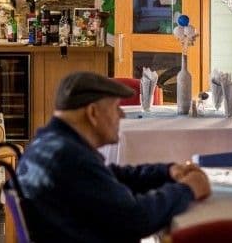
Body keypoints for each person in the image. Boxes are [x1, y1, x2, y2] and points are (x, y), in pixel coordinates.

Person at [16, 71, 210, 243]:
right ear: (93, 113)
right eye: (116, 107)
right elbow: (137, 219)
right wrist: (188, 189)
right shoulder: (69, 158)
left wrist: (166, 172)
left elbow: (110, 176)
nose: (122, 115)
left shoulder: (49, 145)